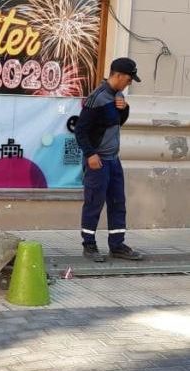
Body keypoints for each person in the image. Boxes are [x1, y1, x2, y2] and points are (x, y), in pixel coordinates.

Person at [75, 57, 143, 262]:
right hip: (99, 160)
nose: (129, 83)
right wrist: (90, 154)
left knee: (117, 202)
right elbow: (80, 130)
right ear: (118, 75)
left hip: (114, 160)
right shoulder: (97, 98)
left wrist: (124, 110)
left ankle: (117, 245)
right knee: (94, 202)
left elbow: (116, 123)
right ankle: (89, 245)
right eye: (129, 79)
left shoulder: (117, 95)